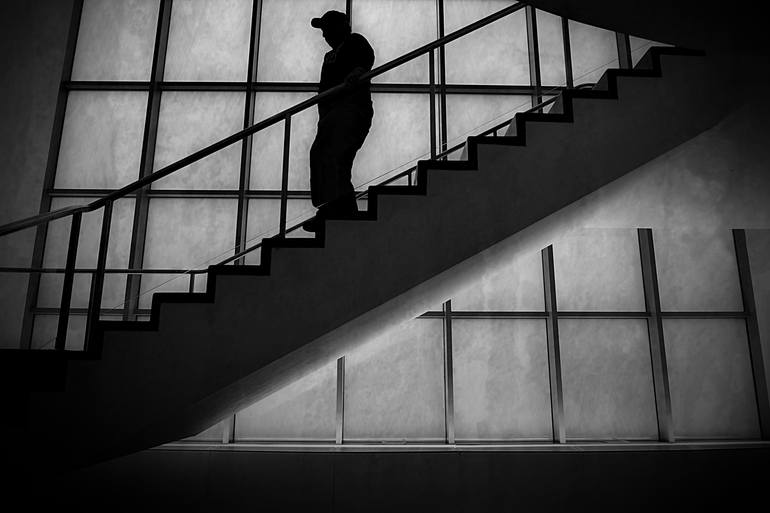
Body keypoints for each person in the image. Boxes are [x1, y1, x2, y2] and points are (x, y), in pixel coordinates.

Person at [303, 10, 375, 232]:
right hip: (332, 115)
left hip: (351, 109)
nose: (324, 35)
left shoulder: (354, 41)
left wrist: (357, 72)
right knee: (326, 157)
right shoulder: (329, 56)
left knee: (332, 156)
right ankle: (337, 206)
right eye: (323, 30)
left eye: (327, 29)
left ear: (341, 27)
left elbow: (366, 58)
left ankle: (337, 207)